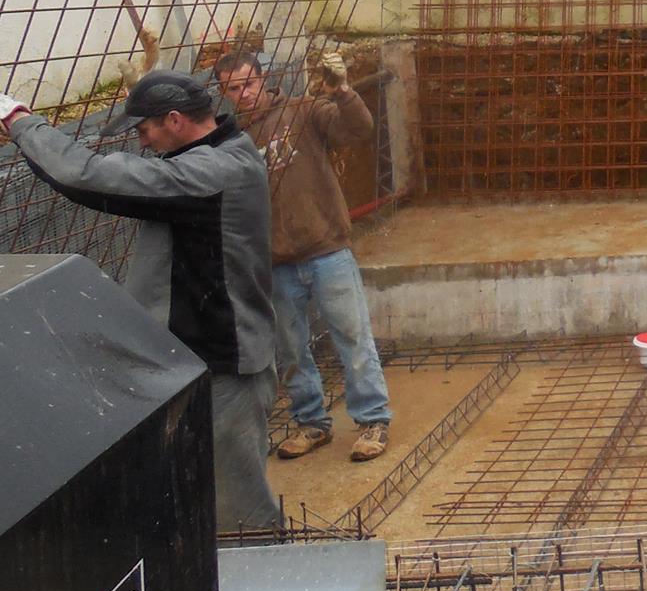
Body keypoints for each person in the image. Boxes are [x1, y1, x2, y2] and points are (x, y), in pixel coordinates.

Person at [0, 69, 283, 531]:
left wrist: (20, 121)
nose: (142, 140)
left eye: (144, 128)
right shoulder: (219, 155)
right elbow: (82, 185)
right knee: (194, 505)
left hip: (227, 371)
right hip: (198, 363)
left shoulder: (212, 173)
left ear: (174, 120)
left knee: (239, 516)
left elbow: (87, 175)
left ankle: (267, 588)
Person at [215, 47, 392, 462]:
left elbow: (358, 129)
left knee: (353, 337)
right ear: (224, 93)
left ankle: (373, 420)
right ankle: (312, 423)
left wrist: (343, 91)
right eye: (233, 88)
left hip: (327, 248)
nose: (244, 94)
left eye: (249, 83)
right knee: (292, 349)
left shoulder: (304, 111)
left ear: (263, 78)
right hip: (275, 262)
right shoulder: (230, 139)